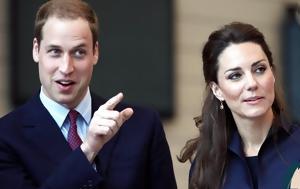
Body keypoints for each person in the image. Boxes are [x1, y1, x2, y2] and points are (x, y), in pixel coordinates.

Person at [0, 0, 177, 188]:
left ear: (95, 52)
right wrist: (88, 150)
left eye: (78, 52)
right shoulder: (6, 136)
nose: (66, 68)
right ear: (36, 50)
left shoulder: (142, 126)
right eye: (55, 52)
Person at [179, 22, 300, 189]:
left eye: (259, 69)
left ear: (272, 74)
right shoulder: (205, 164)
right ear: (217, 90)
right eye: (235, 75)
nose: (251, 83)